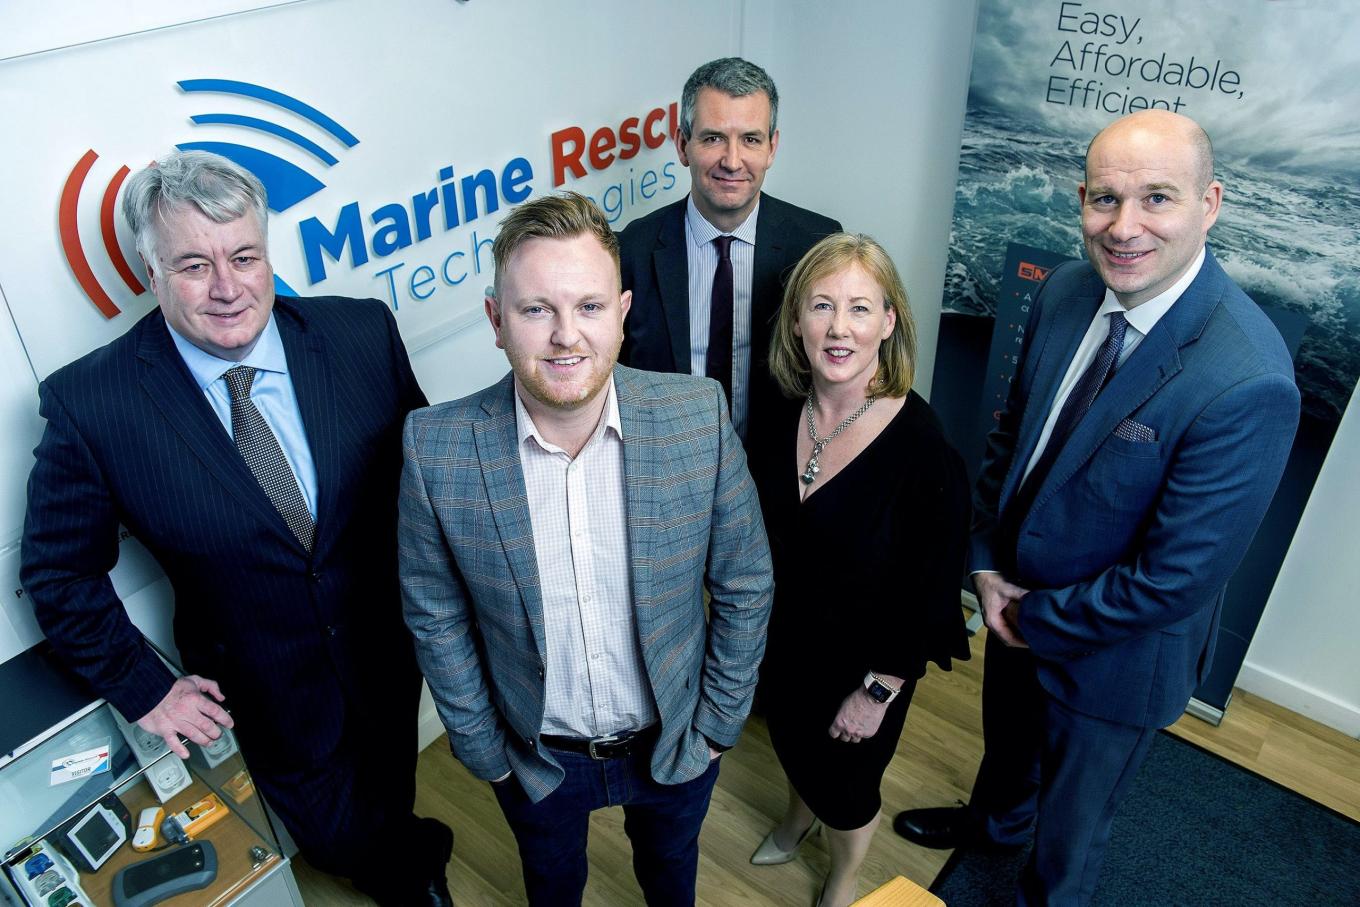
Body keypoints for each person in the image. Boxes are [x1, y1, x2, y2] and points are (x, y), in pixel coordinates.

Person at [21, 151, 453, 907]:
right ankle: (394, 865)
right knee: (331, 833)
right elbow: (58, 575)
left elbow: (422, 481)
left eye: (244, 256)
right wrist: (145, 687)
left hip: (389, 648)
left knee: (391, 783)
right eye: (193, 265)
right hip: (263, 688)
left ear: (265, 251)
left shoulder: (359, 333)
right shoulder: (96, 405)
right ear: (150, 276)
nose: (228, 287)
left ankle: (409, 860)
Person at [892, 110, 1300, 906]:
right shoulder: (1070, 290)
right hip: (1015, 603)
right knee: (1006, 761)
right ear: (1080, 198)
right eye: (1104, 199)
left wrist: (1029, 616)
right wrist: (985, 562)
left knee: (1069, 843)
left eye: (1157, 199)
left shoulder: (1249, 379)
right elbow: (1012, 436)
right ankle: (991, 834)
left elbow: (1173, 579)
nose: (1124, 227)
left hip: (1116, 658)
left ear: (1209, 203)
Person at [398, 191, 773, 906]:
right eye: (536, 309)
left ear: (623, 312)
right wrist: (483, 747)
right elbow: (434, 611)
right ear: (496, 320)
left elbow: (746, 581)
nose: (566, 335)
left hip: (676, 743)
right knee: (552, 883)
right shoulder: (435, 447)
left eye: (590, 307)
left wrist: (719, 724)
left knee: (670, 877)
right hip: (539, 761)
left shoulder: (697, 414)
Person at [743, 234, 971, 907]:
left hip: (863, 666)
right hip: (784, 646)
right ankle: (795, 816)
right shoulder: (781, 408)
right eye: (821, 306)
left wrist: (875, 694)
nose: (839, 327)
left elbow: (927, 597)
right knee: (790, 744)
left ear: (889, 321)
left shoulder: (925, 452)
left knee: (847, 790)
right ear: (796, 321)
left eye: (860, 308)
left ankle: (841, 875)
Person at [619, 56, 841, 441]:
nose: (732, 160)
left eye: (750, 139)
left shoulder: (817, 245)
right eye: (713, 138)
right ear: (683, 144)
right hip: (671, 472)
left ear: (772, 148)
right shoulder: (630, 251)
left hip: (781, 476)